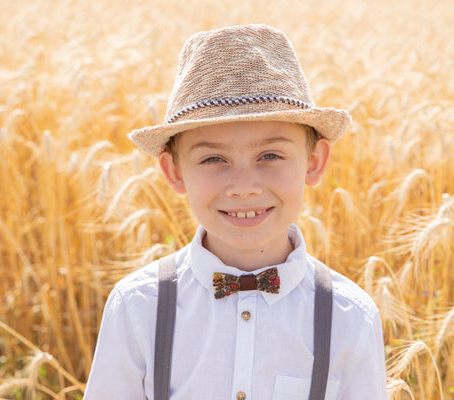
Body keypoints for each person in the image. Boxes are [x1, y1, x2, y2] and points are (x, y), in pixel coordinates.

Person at [84, 24, 387, 399]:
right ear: (174, 172)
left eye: (270, 156)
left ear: (314, 162)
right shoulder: (139, 307)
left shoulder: (349, 317)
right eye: (213, 158)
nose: (244, 186)